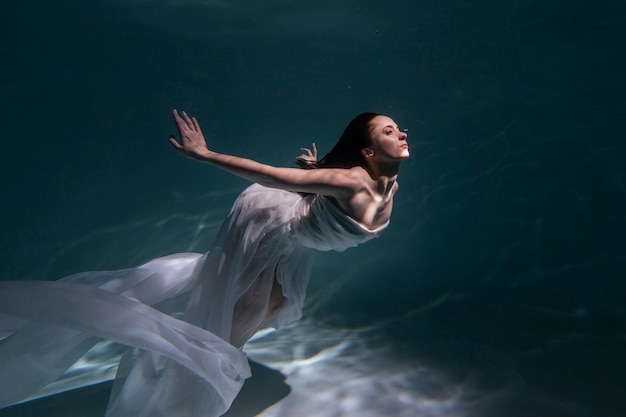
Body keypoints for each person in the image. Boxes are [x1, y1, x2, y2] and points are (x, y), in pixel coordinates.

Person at [0, 110, 409, 417]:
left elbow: (321, 191)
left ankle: (183, 367)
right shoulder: (352, 181)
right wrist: (205, 154)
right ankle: (175, 397)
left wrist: (318, 170)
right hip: (268, 220)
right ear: (369, 151)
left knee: (256, 307)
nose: (402, 133)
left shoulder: (386, 179)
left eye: (398, 128)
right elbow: (268, 175)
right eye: (389, 131)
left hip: (292, 237)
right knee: (229, 330)